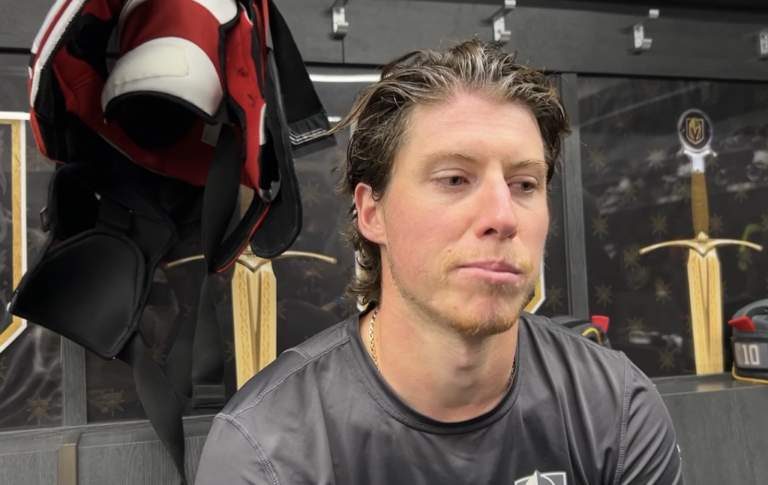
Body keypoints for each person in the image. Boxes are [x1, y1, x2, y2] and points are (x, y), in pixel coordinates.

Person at [195, 39, 684, 485]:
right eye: (454, 179)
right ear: (372, 213)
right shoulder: (269, 450)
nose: (503, 216)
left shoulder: (614, 409)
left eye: (524, 184)